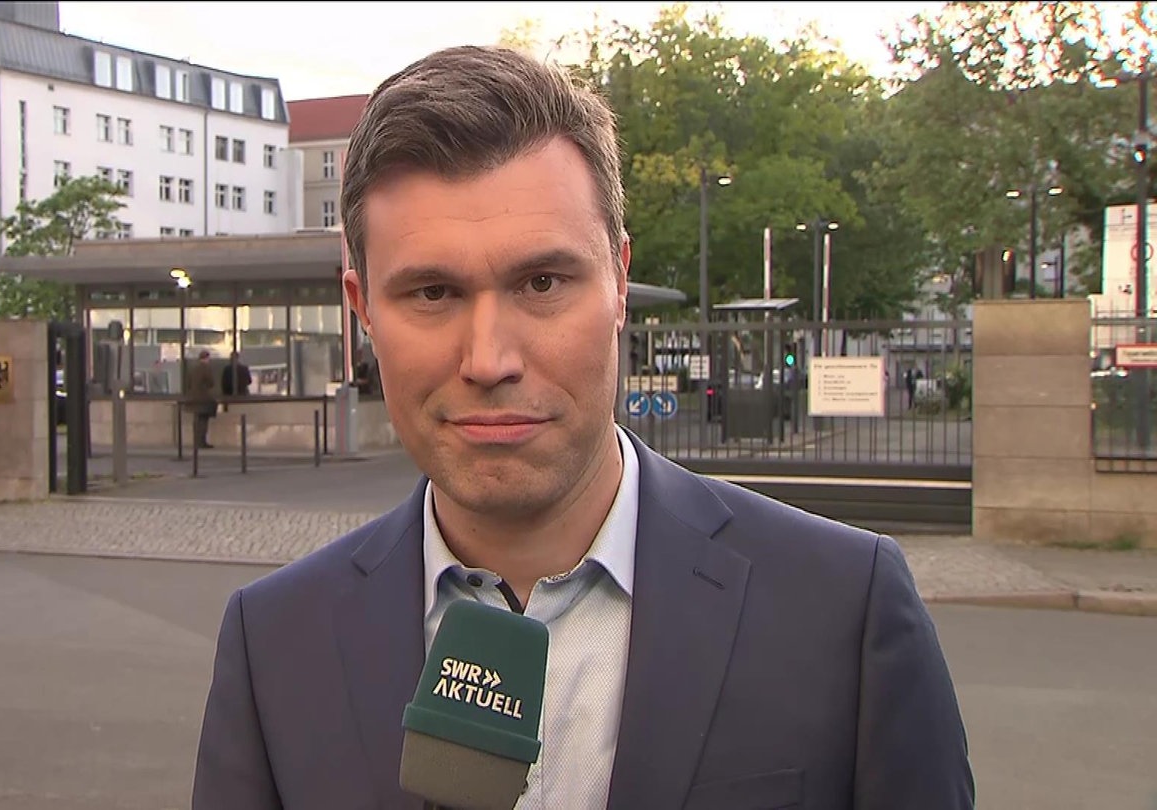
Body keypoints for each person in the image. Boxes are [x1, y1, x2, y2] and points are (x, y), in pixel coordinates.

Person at [191, 46, 974, 809]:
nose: (489, 360)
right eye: (432, 293)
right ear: (363, 311)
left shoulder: (843, 609)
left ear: (619, 282)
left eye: (541, 282)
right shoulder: (275, 643)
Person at [184, 350, 217, 448]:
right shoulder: (206, 368)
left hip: (193, 398)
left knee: (197, 420)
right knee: (203, 421)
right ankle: (202, 442)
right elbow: (211, 383)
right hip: (204, 398)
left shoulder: (193, 369)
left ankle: (196, 441)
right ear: (207, 358)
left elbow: (188, 383)